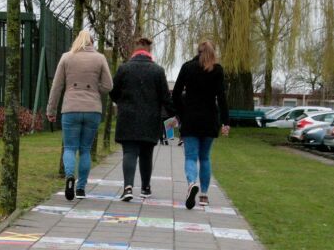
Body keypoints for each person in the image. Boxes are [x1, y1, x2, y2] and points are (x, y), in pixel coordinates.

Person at [47, 30, 113, 200]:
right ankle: (81, 188)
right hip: (93, 110)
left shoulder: (66, 57)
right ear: (92, 42)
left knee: (69, 148)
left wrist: (51, 110)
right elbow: (108, 85)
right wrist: (93, 88)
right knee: (85, 150)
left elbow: (56, 86)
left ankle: (70, 176)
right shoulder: (100, 58)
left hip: (71, 108)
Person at [110, 37, 173, 201]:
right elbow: (166, 97)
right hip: (150, 119)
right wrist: (174, 114)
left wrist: (122, 102)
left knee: (129, 152)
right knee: (146, 154)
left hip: (128, 117)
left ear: (135, 50)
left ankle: (128, 187)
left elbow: (113, 91)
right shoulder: (158, 71)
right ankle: (145, 188)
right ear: (149, 50)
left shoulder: (124, 69)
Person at [172, 40, 229, 209]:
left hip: (190, 118)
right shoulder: (217, 70)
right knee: (205, 157)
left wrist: (181, 113)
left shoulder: (187, 67)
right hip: (210, 119)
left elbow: (176, 93)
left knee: (190, 156)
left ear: (197, 51)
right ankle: (204, 194)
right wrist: (225, 121)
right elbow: (222, 97)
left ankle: (192, 183)